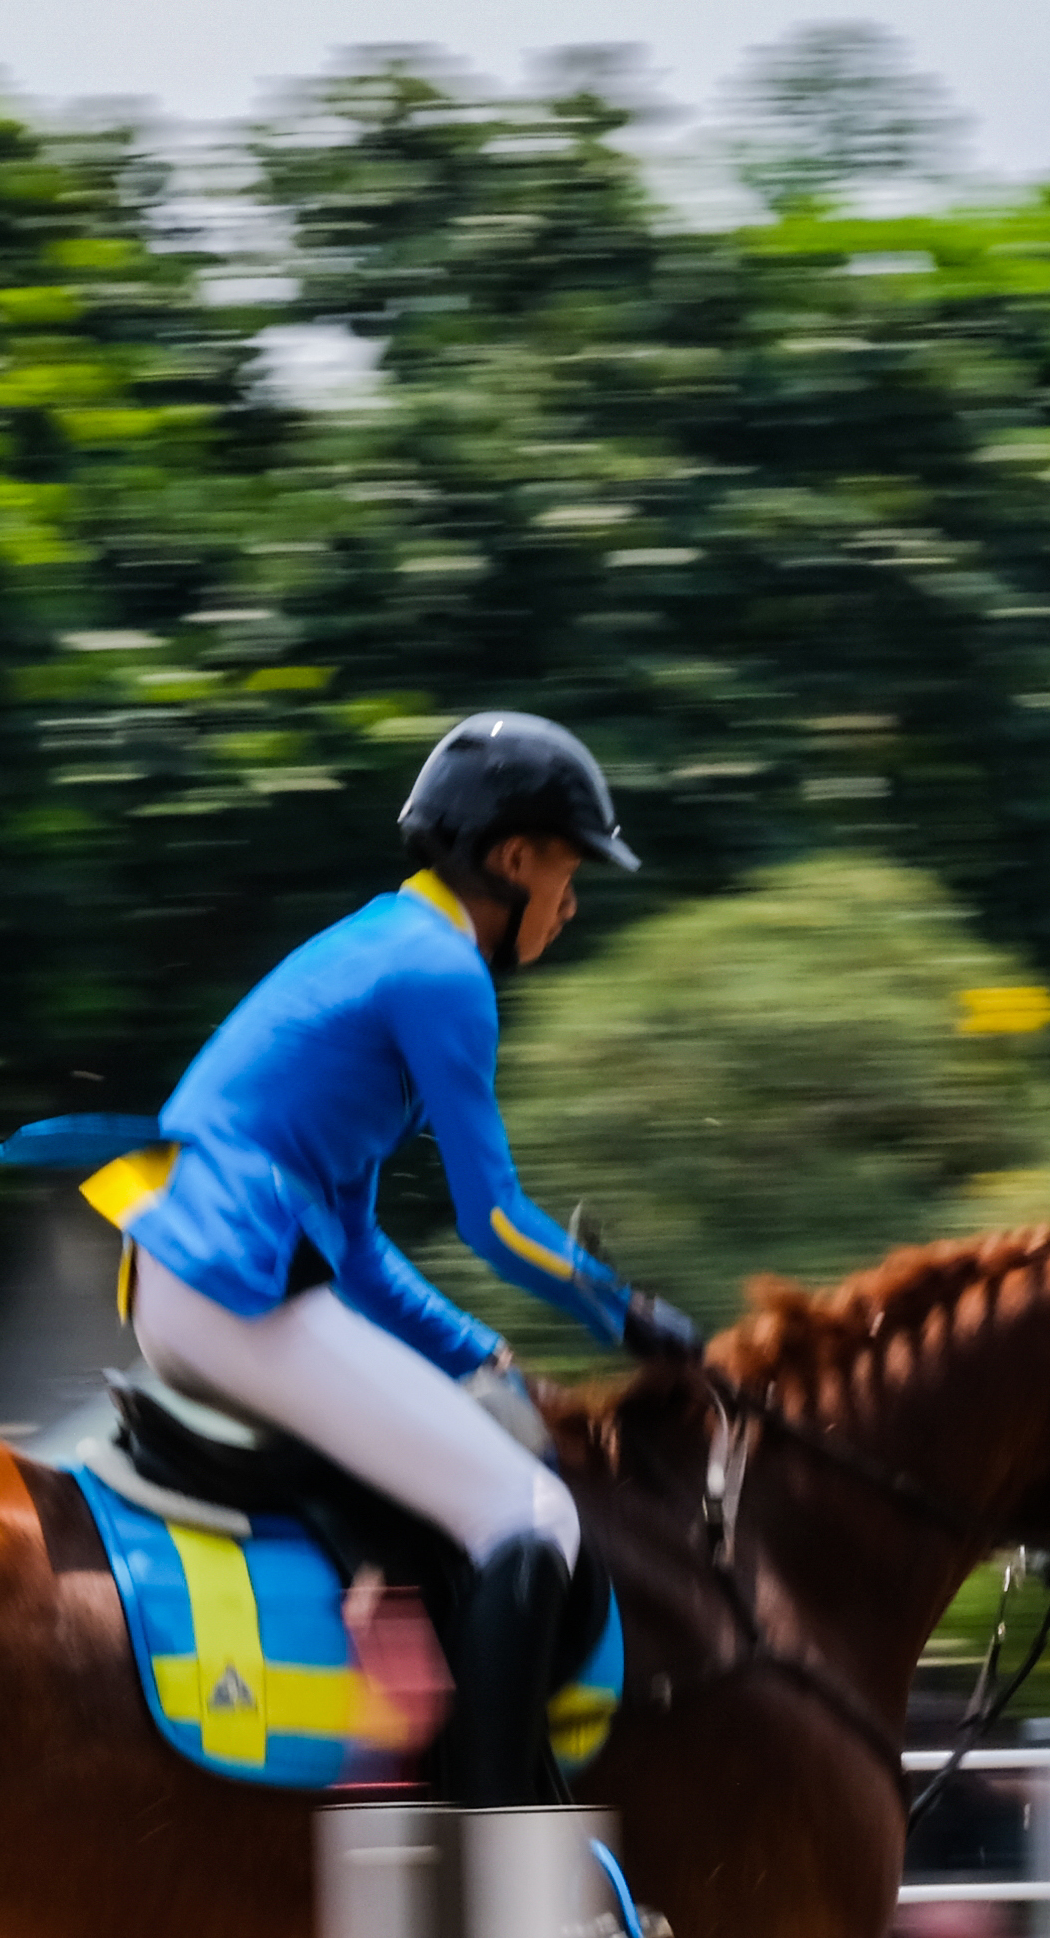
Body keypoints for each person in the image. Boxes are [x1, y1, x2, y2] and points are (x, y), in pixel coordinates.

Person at [119, 710, 700, 1805]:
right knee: (528, 1518)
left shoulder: (384, 945)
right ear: (514, 858)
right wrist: (633, 1319)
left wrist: (486, 1360)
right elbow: (499, 1221)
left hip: (201, 1283)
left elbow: (362, 1252)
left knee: (492, 1456)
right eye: (570, 875)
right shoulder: (443, 975)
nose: (571, 906)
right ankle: (493, 1842)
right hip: (232, 1287)